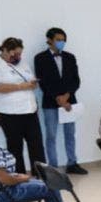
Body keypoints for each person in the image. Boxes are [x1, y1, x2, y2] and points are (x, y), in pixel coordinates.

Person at [0, 37, 45, 174]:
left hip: (30, 111)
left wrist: (32, 84)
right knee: (15, 147)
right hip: (9, 113)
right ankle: (19, 177)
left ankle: (41, 175)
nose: (18, 57)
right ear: (5, 50)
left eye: (20, 53)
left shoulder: (22, 63)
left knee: (37, 145)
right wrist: (20, 86)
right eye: (15, 54)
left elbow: (30, 80)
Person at [34, 27, 86, 175]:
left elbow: (76, 80)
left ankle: (72, 163)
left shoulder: (70, 57)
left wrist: (67, 96)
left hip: (69, 102)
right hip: (50, 102)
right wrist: (58, 98)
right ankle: (53, 167)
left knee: (70, 134)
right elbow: (43, 82)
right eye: (58, 40)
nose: (61, 42)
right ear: (49, 40)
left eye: (63, 40)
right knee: (51, 135)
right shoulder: (40, 58)